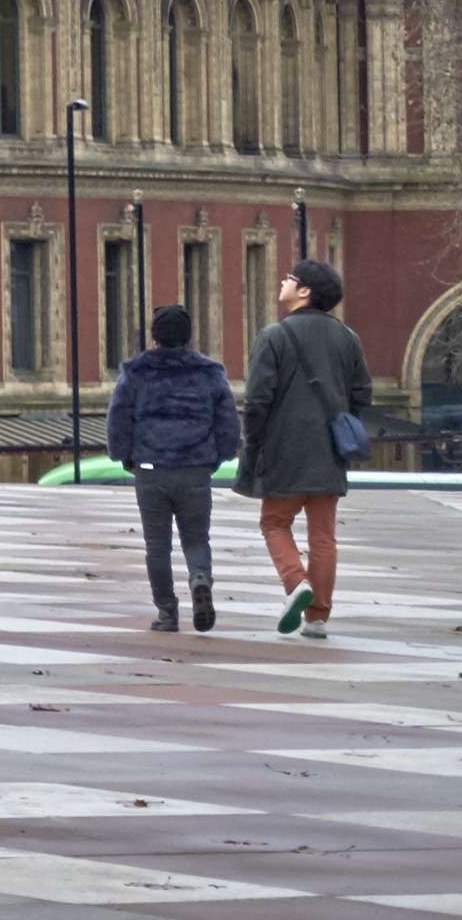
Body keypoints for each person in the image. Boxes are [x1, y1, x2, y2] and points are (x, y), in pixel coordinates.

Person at [240, 255, 374, 638]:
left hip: (283, 447)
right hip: (331, 448)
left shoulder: (274, 336)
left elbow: (258, 399)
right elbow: (362, 392)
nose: (282, 282)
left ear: (304, 291)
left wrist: (254, 440)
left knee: (274, 521)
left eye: (289, 278)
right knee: (323, 535)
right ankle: (317, 617)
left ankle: (296, 581)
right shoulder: (348, 337)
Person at [107, 299, 241, 634]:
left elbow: (119, 417)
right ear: (188, 336)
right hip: (195, 467)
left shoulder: (136, 373)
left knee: (157, 545)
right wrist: (220, 454)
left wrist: (123, 455)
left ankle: (167, 612)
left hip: (150, 468)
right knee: (196, 538)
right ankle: (199, 578)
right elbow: (227, 421)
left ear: (154, 337)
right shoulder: (209, 373)